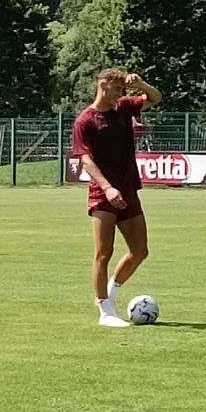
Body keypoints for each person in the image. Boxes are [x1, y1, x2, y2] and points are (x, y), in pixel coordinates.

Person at [72, 68, 162, 327]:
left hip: (128, 188)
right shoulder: (85, 121)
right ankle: (104, 311)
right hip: (103, 193)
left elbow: (155, 98)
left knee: (140, 251)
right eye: (117, 89)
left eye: (123, 90)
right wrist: (108, 188)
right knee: (104, 252)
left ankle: (110, 293)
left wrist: (141, 84)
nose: (120, 95)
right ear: (103, 86)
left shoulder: (123, 108)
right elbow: (86, 160)